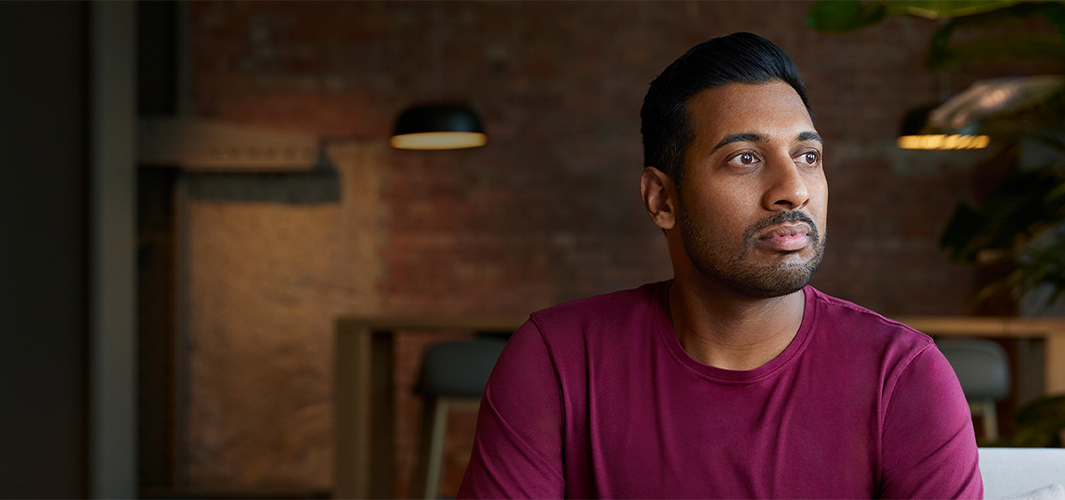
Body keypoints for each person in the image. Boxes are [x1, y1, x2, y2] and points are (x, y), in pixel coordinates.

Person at [457, 32, 981, 499]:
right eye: (745, 158)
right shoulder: (558, 362)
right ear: (662, 199)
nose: (792, 189)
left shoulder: (905, 377)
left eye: (807, 156)